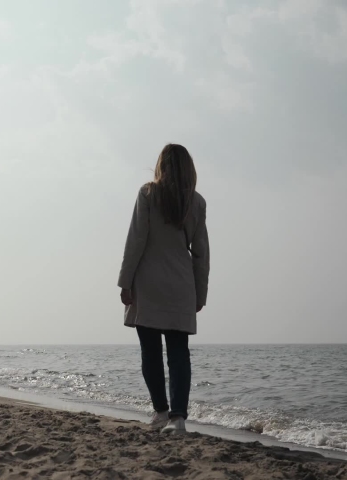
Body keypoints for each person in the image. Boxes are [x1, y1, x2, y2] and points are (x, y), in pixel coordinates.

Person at [117, 143, 210, 435]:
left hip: (148, 283)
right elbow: (201, 254)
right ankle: (178, 418)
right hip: (181, 286)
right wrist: (200, 292)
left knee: (151, 353)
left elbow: (136, 241)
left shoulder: (148, 193)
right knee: (179, 354)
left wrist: (125, 281)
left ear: (162, 166)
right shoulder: (196, 202)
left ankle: (160, 412)